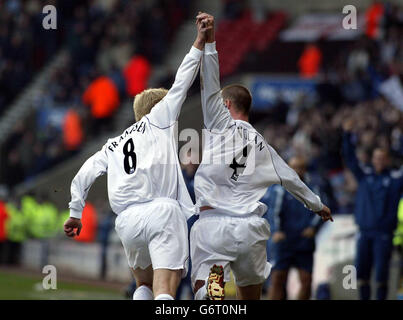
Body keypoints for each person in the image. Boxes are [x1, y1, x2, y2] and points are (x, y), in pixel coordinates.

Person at [64, 21, 212, 301]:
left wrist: (75, 212)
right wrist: (199, 42)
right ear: (157, 108)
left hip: (127, 221)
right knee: (165, 290)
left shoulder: (114, 143)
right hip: (162, 212)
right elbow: (182, 80)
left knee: (142, 285)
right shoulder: (161, 119)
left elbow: (85, 172)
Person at [190, 13, 333, 301]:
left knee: (208, 294)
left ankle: (210, 289)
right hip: (249, 231)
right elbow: (292, 179)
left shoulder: (218, 122)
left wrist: (210, 40)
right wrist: (318, 206)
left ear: (226, 104)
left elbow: (209, 77)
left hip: (214, 225)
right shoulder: (264, 146)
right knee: (250, 296)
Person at [342, 118, 403, 300]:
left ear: (388, 160)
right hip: (364, 232)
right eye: (376, 157)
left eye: (382, 158)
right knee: (362, 275)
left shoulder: (395, 179)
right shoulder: (364, 175)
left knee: (381, 275)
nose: (379, 161)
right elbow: (350, 158)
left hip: (384, 234)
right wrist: (347, 135)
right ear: (372, 159)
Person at [266, 156, 326, 300]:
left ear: (305, 170)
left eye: (300, 167)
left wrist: (313, 228)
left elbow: (321, 209)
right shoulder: (280, 188)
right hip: (284, 240)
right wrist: (276, 231)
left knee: (306, 280)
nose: (296, 171)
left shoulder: (313, 188)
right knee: (278, 278)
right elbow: (273, 211)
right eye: (293, 167)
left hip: (303, 241)